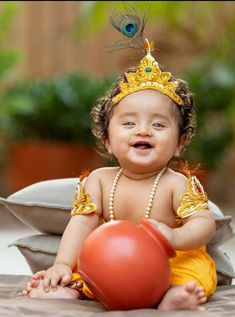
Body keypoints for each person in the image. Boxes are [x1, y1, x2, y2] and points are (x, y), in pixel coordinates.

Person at [23, 20, 217, 311]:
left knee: (196, 270)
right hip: (114, 260)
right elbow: (82, 224)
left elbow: (204, 223)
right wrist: (62, 264)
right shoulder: (99, 181)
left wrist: (175, 237)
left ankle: (174, 294)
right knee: (88, 267)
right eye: (128, 123)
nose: (143, 130)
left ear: (179, 143)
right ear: (107, 140)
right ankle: (69, 289)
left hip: (169, 259)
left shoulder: (176, 184)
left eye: (158, 124)